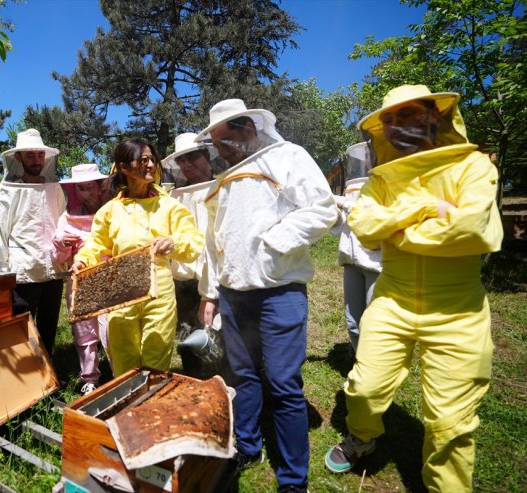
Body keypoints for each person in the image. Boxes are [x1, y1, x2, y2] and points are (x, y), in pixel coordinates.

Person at [323, 85, 503, 493]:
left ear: (433, 116)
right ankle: (363, 438)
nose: (395, 125)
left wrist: (396, 230)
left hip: (458, 309)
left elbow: (474, 231)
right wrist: (422, 209)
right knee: (364, 388)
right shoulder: (382, 179)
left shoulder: (472, 166)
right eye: (389, 119)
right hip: (392, 299)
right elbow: (365, 230)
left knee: (450, 423)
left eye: (406, 115)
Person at [196, 99, 338, 492]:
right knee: (243, 376)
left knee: (283, 382)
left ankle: (293, 480)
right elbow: (213, 244)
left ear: (248, 128)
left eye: (226, 138)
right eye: (216, 142)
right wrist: (209, 293)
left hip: (279, 292)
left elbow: (322, 209)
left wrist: (272, 243)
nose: (221, 148)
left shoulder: (289, 156)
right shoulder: (219, 183)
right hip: (232, 294)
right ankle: (248, 446)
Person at [71, 139, 204, 377]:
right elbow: (97, 244)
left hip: (159, 293)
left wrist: (174, 242)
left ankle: (151, 410)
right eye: (143, 160)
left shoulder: (170, 206)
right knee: (124, 360)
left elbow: (193, 241)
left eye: (152, 159)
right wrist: (83, 260)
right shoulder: (110, 210)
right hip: (121, 291)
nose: (151, 164)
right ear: (124, 167)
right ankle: (127, 410)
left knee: (156, 358)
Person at [0, 128, 66, 357]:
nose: (36, 160)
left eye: (40, 155)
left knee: (49, 325)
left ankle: (48, 372)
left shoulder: (55, 189)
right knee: (21, 326)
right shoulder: (6, 192)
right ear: (18, 157)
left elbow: (63, 224)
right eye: (30, 155)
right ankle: (25, 377)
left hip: (53, 267)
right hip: (23, 270)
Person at [162, 132, 228, 378]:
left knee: (222, 336)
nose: (188, 165)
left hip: (218, 276)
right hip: (182, 279)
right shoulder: (171, 197)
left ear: (206, 156)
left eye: (193, 157)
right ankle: (194, 382)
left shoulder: (222, 187)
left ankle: (225, 385)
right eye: (182, 161)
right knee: (187, 335)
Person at [50, 163, 110, 395]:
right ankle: (90, 378)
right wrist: (61, 245)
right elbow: (58, 259)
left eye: (90, 187)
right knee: (84, 333)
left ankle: (121, 372)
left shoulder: (113, 210)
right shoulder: (67, 219)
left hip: (111, 278)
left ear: (100, 187)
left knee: (112, 331)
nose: (87, 193)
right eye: (81, 189)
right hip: (80, 281)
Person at [330, 142, 382, 352]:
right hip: (351, 261)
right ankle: (361, 365)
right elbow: (343, 224)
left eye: (372, 154)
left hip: (376, 262)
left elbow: (371, 215)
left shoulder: (389, 183)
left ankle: (377, 371)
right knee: (353, 321)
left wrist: (343, 202)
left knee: (375, 321)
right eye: (366, 155)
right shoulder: (354, 185)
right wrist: (333, 211)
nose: (367, 159)